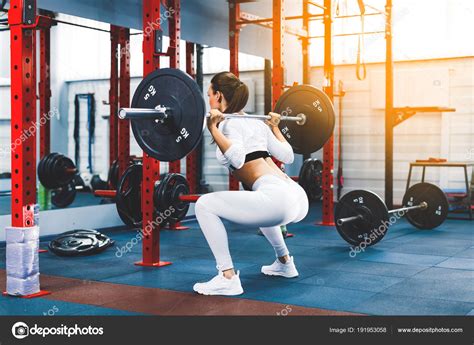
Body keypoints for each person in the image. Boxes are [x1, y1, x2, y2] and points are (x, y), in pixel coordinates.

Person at [193, 72, 309, 296]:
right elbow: (288, 156)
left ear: (218, 95)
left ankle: (227, 277)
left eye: (209, 95)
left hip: (278, 199)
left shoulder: (228, 125)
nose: (208, 100)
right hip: (296, 197)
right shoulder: (256, 124)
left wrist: (213, 128)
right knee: (259, 204)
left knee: (203, 205)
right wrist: (275, 127)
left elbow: (236, 158)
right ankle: (285, 262)